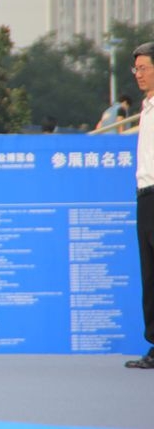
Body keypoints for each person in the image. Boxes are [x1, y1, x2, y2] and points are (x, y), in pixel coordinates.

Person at [128, 42, 154, 369]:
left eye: (144, 68)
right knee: (150, 274)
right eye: (136, 69)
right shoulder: (146, 108)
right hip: (145, 196)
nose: (138, 74)